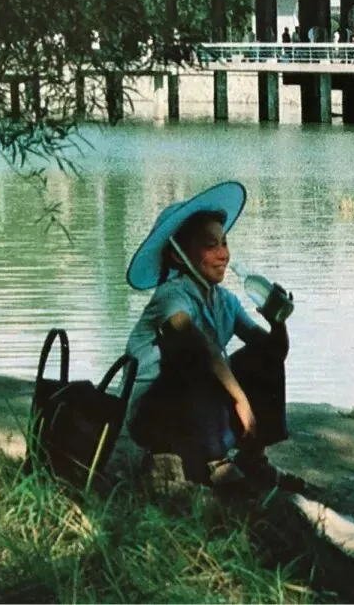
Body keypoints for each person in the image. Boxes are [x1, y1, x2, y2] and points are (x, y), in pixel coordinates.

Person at [123, 182, 300, 492]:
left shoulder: (224, 300)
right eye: (211, 245)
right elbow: (200, 347)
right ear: (179, 256)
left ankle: (254, 457)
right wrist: (240, 399)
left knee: (261, 356)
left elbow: (275, 353)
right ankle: (214, 462)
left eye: (224, 243)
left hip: (195, 409)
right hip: (154, 413)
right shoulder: (171, 296)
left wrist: (278, 323)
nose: (223, 255)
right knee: (191, 357)